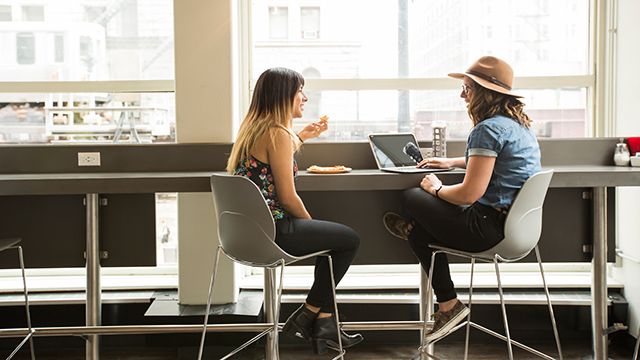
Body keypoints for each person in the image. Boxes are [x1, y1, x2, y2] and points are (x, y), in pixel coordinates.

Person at [383, 56, 541, 344]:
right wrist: (452, 161)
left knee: (411, 196)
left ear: (483, 92)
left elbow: (469, 194)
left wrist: (437, 189)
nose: (462, 94)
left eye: (467, 88)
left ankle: (449, 303)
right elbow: (496, 163)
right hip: (517, 230)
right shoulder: (519, 127)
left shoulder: (486, 129)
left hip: (487, 229)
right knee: (421, 231)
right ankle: (446, 302)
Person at [226, 67, 363, 354]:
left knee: (329, 241)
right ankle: (306, 314)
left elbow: (268, 162)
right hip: (273, 230)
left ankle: (324, 326)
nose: (305, 97)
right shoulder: (278, 134)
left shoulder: (254, 129)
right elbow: (288, 199)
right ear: (283, 96)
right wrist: (311, 226)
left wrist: (301, 137)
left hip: (247, 233)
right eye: (300, 91)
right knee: (347, 239)